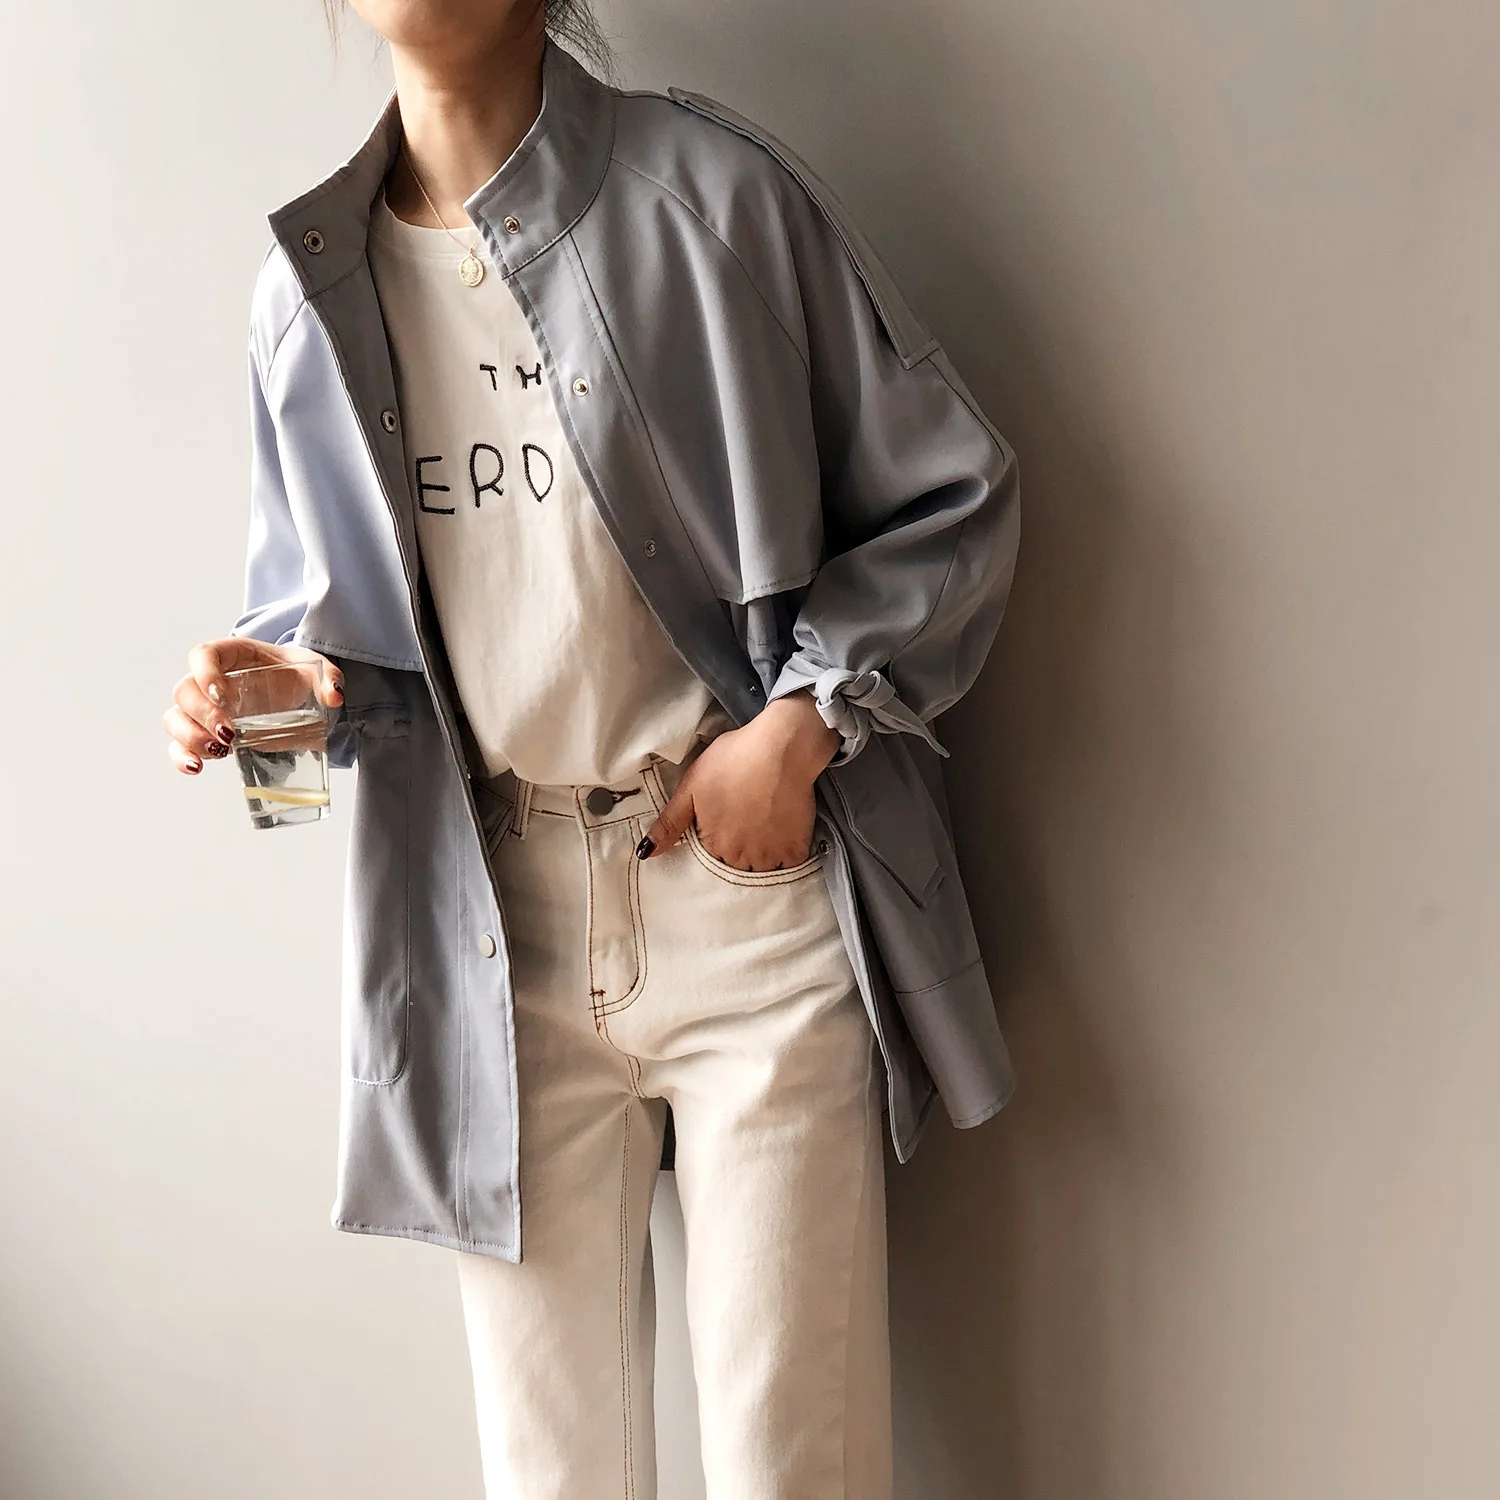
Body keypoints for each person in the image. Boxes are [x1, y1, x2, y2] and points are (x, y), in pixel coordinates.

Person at [161, 2, 1021, 1496]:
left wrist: (799, 730)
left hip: (747, 909)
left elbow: (955, 497)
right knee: (550, 1478)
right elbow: (329, 725)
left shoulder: (711, 197)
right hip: (494, 944)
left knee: (793, 1464)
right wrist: (268, 713)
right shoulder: (307, 288)